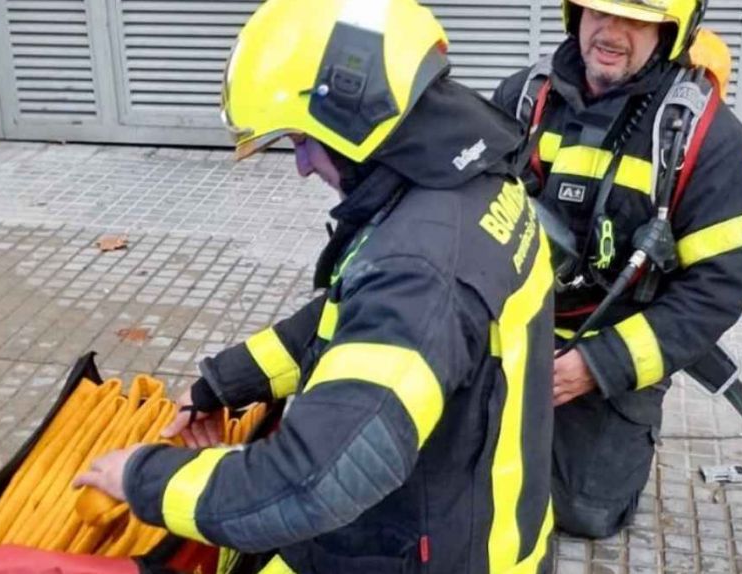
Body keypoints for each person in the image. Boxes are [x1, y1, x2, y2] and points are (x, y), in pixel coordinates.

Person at [74, 0, 556, 572]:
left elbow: (318, 480)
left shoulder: (421, 264)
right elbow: (346, 321)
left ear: (358, 121)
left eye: (302, 141)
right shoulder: (461, 185)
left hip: (432, 550)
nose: (301, 166)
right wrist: (223, 383)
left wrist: (143, 477)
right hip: (465, 512)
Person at [493, 0, 742, 539]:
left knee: (582, 512)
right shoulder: (523, 100)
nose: (610, 32)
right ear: (574, 13)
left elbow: (716, 289)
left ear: (670, 28)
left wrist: (597, 364)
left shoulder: (704, 138)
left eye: (634, 19)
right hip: (507, 328)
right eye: (597, 11)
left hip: (607, 347)